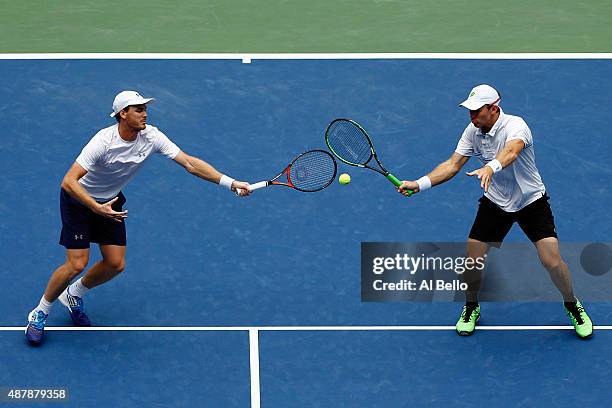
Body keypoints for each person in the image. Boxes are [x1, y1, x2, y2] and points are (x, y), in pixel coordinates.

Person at [25, 91, 251, 346]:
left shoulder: (152, 136)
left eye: (145, 109)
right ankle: (40, 312)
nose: (145, 113)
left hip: (110, 201)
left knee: (115, 264)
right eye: (138, 109)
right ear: (123, 114)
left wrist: (230, 183)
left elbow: (189, 162)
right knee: (77, 264)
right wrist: (95, 208)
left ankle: (73, 295)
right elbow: (68, 181)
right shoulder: (103, 141)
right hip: (79, 200)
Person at [398, 84, 593, 338]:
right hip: (496, 202)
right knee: (472, 261)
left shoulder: (516, 125)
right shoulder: (472, 131)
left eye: (477, 111)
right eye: (470, 111)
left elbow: (511, 151)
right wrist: (419, 184)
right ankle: (471, 307)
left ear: (493, 108)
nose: (472, 116)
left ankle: (572, 304)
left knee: (552, 262)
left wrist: (491, 168)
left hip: (530, 200)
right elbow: (452, 165)